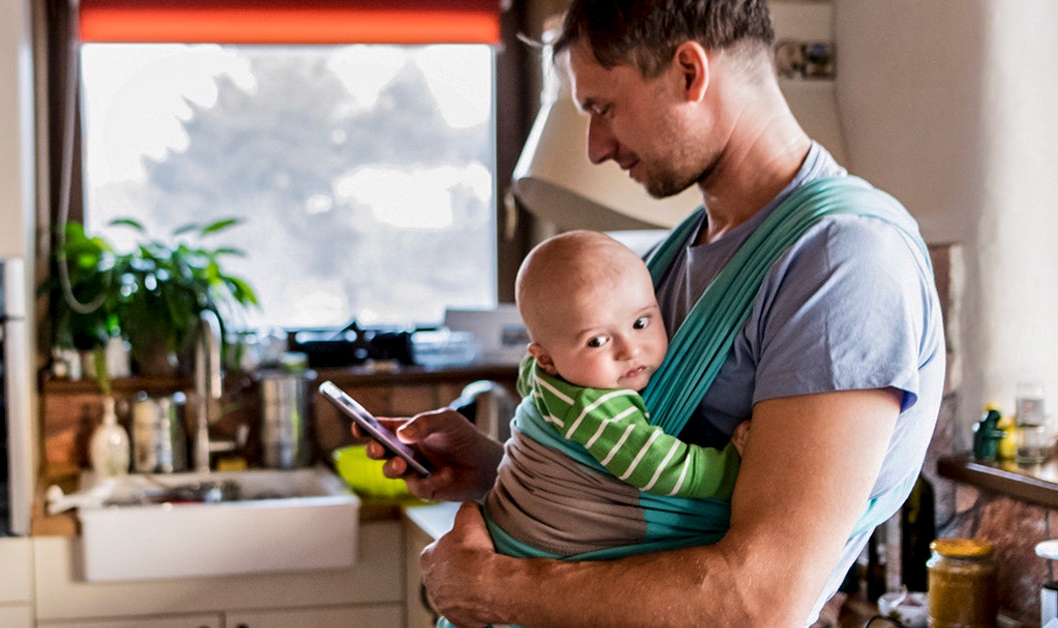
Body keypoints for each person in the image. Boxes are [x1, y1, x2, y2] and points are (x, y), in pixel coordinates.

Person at [365, 0, 946, 625]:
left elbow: (759, 600)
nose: (596, 147)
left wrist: (496, 588)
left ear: (689, 72)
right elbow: (627, 493)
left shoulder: (844, 263)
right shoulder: (677, 253)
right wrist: (495, 467)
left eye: (602, 108)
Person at [490, 230, 746, 557]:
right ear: (547, 359)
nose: (630, 350)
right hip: (544, 547)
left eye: (641, 323)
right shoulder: (594, 408)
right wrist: (736, 465)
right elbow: (660, 467)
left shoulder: (536, 373)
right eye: (597, 341)